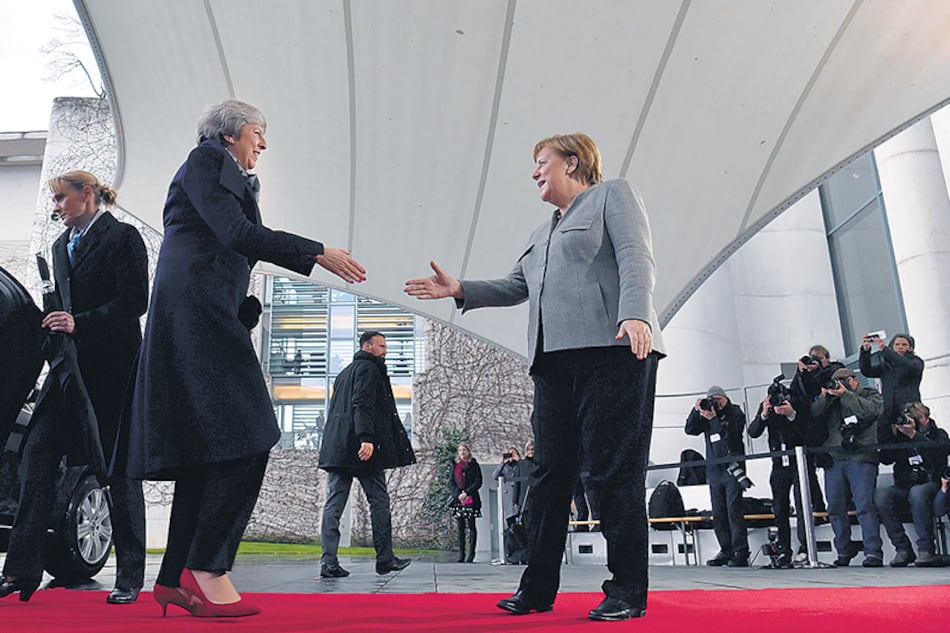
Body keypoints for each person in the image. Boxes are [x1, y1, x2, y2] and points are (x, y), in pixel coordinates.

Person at [111, 99, 366, 618]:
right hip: (195, 320)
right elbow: (237, 234)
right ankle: (206, 566)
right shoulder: (207, 160)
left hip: (206, 316)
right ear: (229, 135)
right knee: (251, 434)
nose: (263, 144)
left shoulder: (224, 173)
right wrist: (316, 251)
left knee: (211, 450)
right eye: (257, 132)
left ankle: (174, 577)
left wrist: (242, 306)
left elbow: (224, 246)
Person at [405, 132, 665, 621]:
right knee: (547, 478)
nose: (534, 173)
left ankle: (627, 591)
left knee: (612, 473)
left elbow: (636, 256)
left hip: (614, 349)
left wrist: (637, 315)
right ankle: (537, 588)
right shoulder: (541, 232)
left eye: (541, 162)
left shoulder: (613, 195)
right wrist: (461, 288)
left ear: (572, 162)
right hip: (552, 362)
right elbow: (515, 285)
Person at [0, 171, 148, 604]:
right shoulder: (57, 249)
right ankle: (19, 575)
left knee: (118, 474)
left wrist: (79, 322)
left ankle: (130, 578)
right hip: (65, 374)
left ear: (87, 195)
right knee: (35, 459)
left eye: (62, 198)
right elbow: (56, 311)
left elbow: (134, 302)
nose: (57, 207)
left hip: (112, 374)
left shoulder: (124, 238)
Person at [317, 331, 415, 578]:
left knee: (334, 505)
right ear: (368, 347)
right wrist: (366, 438)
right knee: (379, 502)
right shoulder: (370, 369)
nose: (386, 351)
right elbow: (362, 403)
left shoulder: (342, 374)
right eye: (382, 346)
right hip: (361, 448)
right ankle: (385, 559)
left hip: (338, 448)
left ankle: (328, 562)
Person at [810, 368, 884, 567]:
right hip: (835, 458)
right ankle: (843, 550)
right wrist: (826, 396)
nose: (839, 385)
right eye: (837, 382)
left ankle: (873, 553)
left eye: (843, 381)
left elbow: (871, 411)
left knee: (864, 506)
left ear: (853, 380)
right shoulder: (831, 400)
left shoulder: (869, 394)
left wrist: (846, 395)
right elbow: (813, 414)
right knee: (834, 507)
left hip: (861, 457)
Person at [874, 402, 950, 567]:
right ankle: (903, 549)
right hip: (905, 485)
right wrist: (891, 435)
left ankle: (926, 550)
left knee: (918, 492)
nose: (912, 421)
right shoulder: (901, 437)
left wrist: (914, 435)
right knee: (882, 496)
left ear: (925, 418)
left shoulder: (939, 434)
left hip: (932, 483)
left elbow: (938, 455)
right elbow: (885, 459)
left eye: (916, 418)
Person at [749, 385, 814, 568]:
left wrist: (792, 414)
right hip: (778, 464)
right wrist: (763, 414)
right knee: (779, 508)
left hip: (798, 462)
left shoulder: (798, 404)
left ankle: (806, 549)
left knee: (802, 506)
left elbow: (809, 432)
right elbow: (753, 432)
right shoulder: (768, 408)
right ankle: (783, 549)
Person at [685, 386, 750, 567]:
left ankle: (740, 551)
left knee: (733, 510)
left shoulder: (735, 413)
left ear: (726, 399)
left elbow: (730, 437)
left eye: (719, 400)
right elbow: (690, 429)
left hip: (732, 469)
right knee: (719, 512)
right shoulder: (707, 414)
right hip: (714, 471)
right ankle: (725, 549)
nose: (716, 404)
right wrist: (696, 410)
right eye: (712, 400)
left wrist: (714, 420)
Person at [859, 332, 924, 444]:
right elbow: (867, 371)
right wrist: (865, 351)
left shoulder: (916, 362)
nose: (900, 347)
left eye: (904, 345)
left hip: (910, 411)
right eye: (897, 344)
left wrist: (885, 350)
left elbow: (907, 366)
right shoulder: (886, 366)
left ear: (910, 348)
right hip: (889, 413)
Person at [492, 446, 526, 563]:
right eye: (509, 454)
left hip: (518, 496)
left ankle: (521, 553)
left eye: (513, 454)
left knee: (520, 527)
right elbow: (495, 476)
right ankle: (511, 553)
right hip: (507, 497)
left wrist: (519, 460)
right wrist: (503, 463)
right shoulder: (505, 466)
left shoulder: (520, 465)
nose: (511, 457)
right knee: (510, 526)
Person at [449, 443, 482, 563]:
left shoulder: (474, 465)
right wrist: (458, 494)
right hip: (459, 501)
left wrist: (466, 493)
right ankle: (461, 554)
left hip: (471, 499)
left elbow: (478, 481)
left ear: (468, 451)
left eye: (464, 450)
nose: (462, 452)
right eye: (460, 450)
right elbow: (451, 482)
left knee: (471, 526)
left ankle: (471, 554)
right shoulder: (455, 466)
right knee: (460, 527)